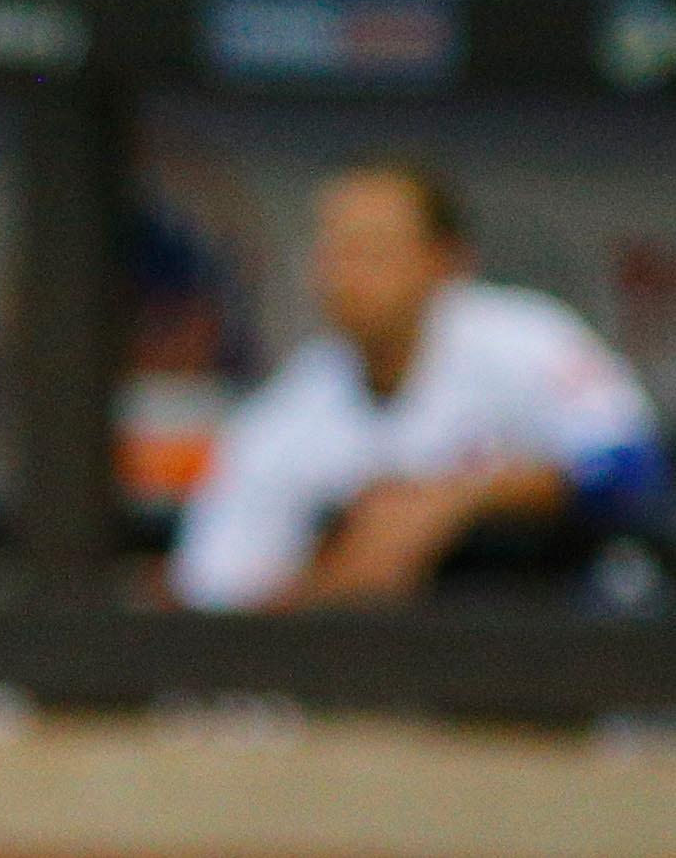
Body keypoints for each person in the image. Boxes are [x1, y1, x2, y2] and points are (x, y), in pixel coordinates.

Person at [171, 159, 669, 611]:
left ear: (446, 261)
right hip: (403, 666)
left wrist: (458, 498)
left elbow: (636, 469)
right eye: (335, 249)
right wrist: (342, 577)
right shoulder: (292, 406)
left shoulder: (523, 339)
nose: (348, 273)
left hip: (577, 632)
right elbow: (215, 592)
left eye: (374, 249)